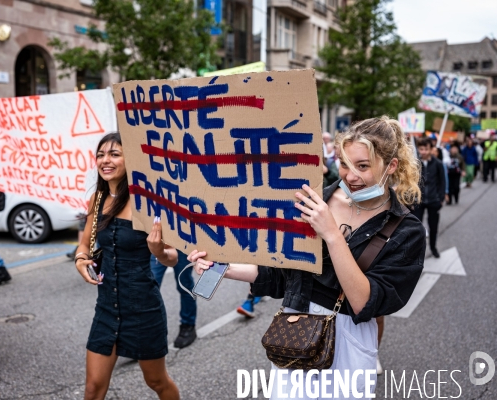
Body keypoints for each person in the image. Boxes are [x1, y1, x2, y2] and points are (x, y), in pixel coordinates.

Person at [188, 116, 425, 399]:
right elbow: (281, 275)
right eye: (344, 164)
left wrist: (332, 235)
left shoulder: (406, 230)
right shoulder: (315, 200)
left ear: (391, 166)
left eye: (363, 166)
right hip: (294, 329)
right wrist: (223, 268)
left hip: (348, 342)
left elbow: (364, 302)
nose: (350, 176)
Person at [74, 133, 180, 400]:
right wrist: (80, 259)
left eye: (114, 154)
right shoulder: (97, 200)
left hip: (144, 308)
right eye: (101, 155)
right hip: (107, 307)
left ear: (129, 159)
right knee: (93, 387)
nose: (105, 160)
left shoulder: (147, 202)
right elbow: (84, 243)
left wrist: (158, 251)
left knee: (157, 381)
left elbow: (172, 257)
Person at [150, 252, 198, 348]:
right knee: (150, 286)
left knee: (184, 285)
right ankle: (146, 334)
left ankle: (188, 325)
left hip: (183, 243)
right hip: (161, 243)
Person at [414, 138, 447, 258]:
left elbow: (442, 182)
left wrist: (441, 198)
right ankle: (416, 252)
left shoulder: (438, 163)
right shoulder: (415, 164)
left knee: (433, 227)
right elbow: (411, 182)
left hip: (434, 200)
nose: (423, 152)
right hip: (419, 201)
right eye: (421, 149)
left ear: (431, 149)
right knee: (417, 228)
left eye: (426, 149)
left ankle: (433, 248)